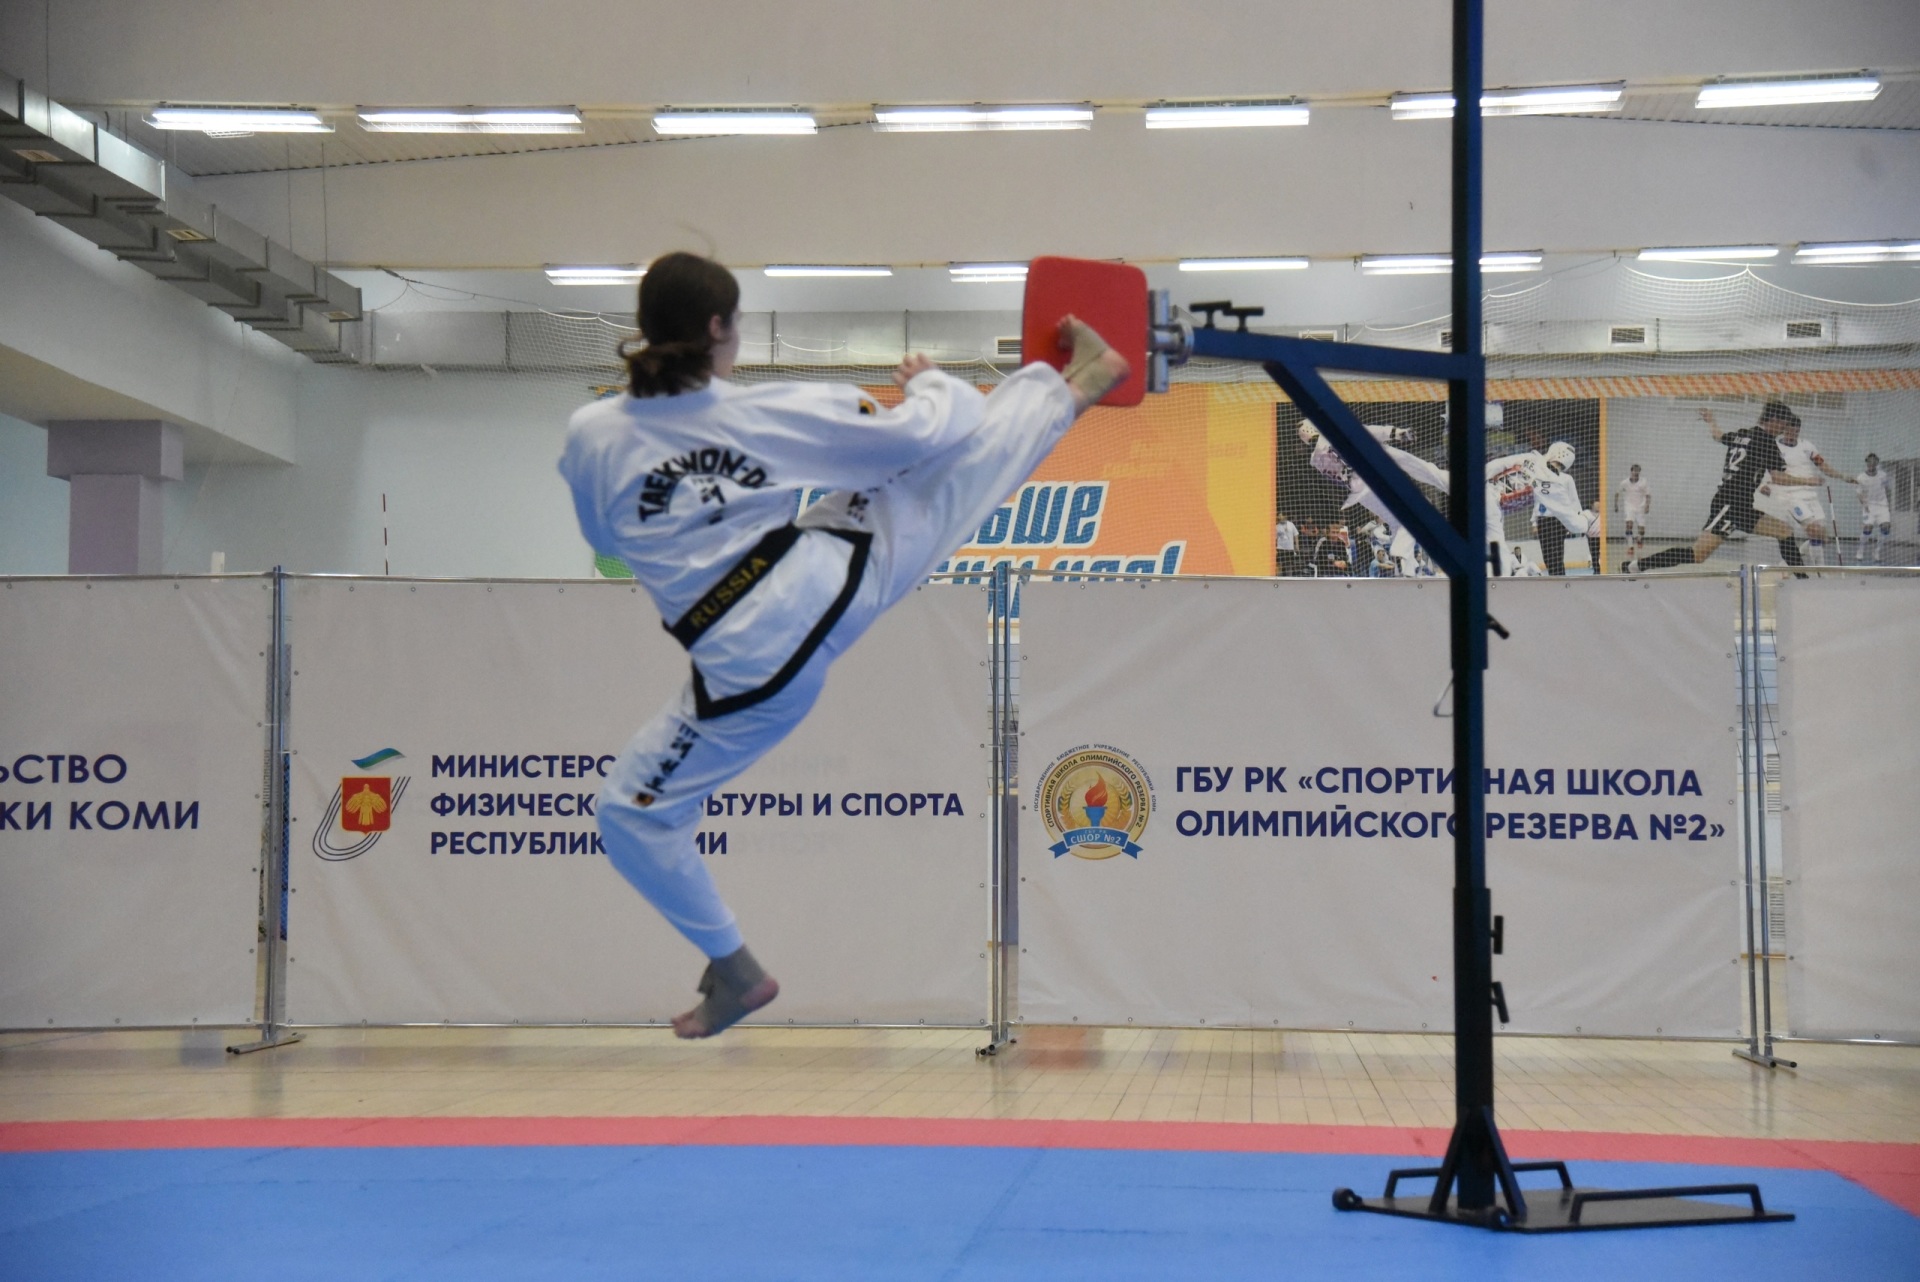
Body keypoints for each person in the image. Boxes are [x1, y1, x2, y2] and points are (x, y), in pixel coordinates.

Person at [558, 252, 1128, 1037]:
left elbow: (601, 535)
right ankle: (1073, 387)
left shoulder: (592, 433)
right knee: (930, 487)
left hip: (748, 662)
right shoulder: (764, 412)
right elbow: (931, 431)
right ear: (720, 328)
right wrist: (931, 383)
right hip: (821, 580)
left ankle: (735, 967)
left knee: (633, 814)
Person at [1635, 401, 1804, 572]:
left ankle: (1802, 578)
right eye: (1783, 424)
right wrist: (1809, 481)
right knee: (1697, 554)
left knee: (1784, 531)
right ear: (1774, 420)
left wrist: (1711, 421)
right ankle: (1636, 566)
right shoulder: (1767, 442)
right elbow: (1778, 477)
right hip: (1730, 505)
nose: (1783, 429)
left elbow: (1718, 435)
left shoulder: (1742, 434)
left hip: (1741, 506)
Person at [1485, 440, 1594, 577]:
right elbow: (1575, 524)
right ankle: (1502, 580)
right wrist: (1587, 519)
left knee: (1489, 544)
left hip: (1485, 494)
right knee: (1498, 548)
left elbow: (1497, 464)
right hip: (1491, 505)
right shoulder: (1554, 486)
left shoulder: (1531, 458)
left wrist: (1474, 479)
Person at [1758, 414, 1850, 565]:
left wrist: (1842, 476)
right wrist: (1762, 485)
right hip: (1790, 495)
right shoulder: (1773, 447)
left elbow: (1822, 464)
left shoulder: (1807, 446)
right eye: (1789, 431)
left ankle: (1789, 561)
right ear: (1783, 429)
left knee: (1819, 534)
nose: (1792, 435)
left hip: (1810, 495)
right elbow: (1763, 468)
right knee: (1816, 531)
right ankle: (1820, 571)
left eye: (1796, 431)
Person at [1530, 441, 1600, 576]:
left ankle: (1560, 581)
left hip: (1559, 520)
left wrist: (1576, 519)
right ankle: (1554, 580)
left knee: (1556, 555)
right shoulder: (1540, 476)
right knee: (1547, 557)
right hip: (1542, 519)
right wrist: (1534, 522)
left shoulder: (1566, 478)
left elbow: (1574, 501)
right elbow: (1538, 499)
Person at [1854, 453, 1893, 566]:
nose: (1872, 463)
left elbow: (1888, 489)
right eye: (1869, 461)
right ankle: (1860, 550)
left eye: (1874, 461)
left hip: (1882, 505)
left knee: (1886, 527)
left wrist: (1888, 504)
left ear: (1877, 462)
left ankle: (1877, 552)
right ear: (1866, 462)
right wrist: (1864, 504)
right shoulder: (1861, 477)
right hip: (1869, 506)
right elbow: (1859, 493)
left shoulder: (1883, 475)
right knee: (1868, 528)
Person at [1615, 463, 1651, 567]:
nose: (1636, 472)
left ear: (1639, 472)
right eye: (1634, 470)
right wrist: (1616, 505)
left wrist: (1647, 506)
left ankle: (1639, 539)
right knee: (1629, 525)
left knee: (1642, 530)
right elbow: (1617, 493)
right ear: (1631, 471)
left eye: (1637, 471)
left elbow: (1648, 495)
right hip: (1629, 507)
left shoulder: (1643, 482)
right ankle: (1630, 546)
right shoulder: (1625, 483)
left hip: (1640, 507)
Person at [1274, 512, 1300, 576]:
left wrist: (1297, 546)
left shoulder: (1291, 524)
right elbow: (1275, 539)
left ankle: (1289, 578)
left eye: (1280, 516)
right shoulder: (1276, 526)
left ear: (1285, 516)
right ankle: (1279, 579)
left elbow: (1296, 535)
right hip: (1280, 549)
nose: (1279, 517)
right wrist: (1275, 549)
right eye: (1278, 516)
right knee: (1280, 565)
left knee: (1289, 565)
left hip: (1289, 549)